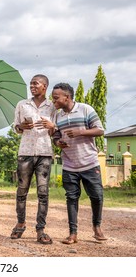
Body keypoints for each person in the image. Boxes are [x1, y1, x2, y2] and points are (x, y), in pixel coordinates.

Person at [51, 82, 107, 244]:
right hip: (69, 165)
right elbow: (55, 135)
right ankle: (72, 233)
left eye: (56, 97)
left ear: (66, 97)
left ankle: (96, 227)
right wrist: (58, 142)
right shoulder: (57, 115)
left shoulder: (85, 109)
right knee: (71, 198)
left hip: (89, 162)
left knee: (96, 196)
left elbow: (100, 130)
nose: (53, 100)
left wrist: (80, 131)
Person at [11, 74, 56, 244]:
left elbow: (55, 131)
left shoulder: (52, 107)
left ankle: (40, 229)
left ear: (45, 86)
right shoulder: (22, 104)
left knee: (43, 193)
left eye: (35, 83)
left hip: (44, 154)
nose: (32, 86)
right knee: (22, 191)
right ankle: (20, 223)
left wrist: (52, 126)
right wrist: (21, 126)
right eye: (31, 84)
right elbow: (15, 126)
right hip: (25, 153)